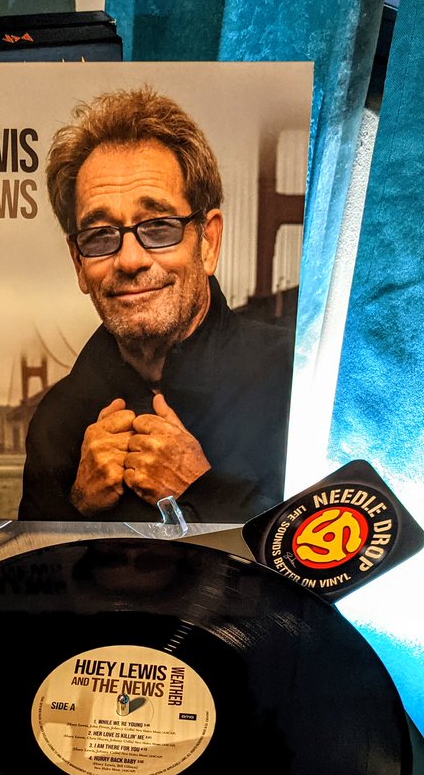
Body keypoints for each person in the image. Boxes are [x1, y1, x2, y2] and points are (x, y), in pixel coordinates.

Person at [18, 85, 294, 524]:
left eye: (159, 227)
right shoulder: (55, 420)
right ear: (79, 263)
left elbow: (331, 555)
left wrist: (200, 490)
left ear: (209, 243)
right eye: (100, 235)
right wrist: (77, 505)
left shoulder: (294, 377)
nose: (129, 260)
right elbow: (35, 565)